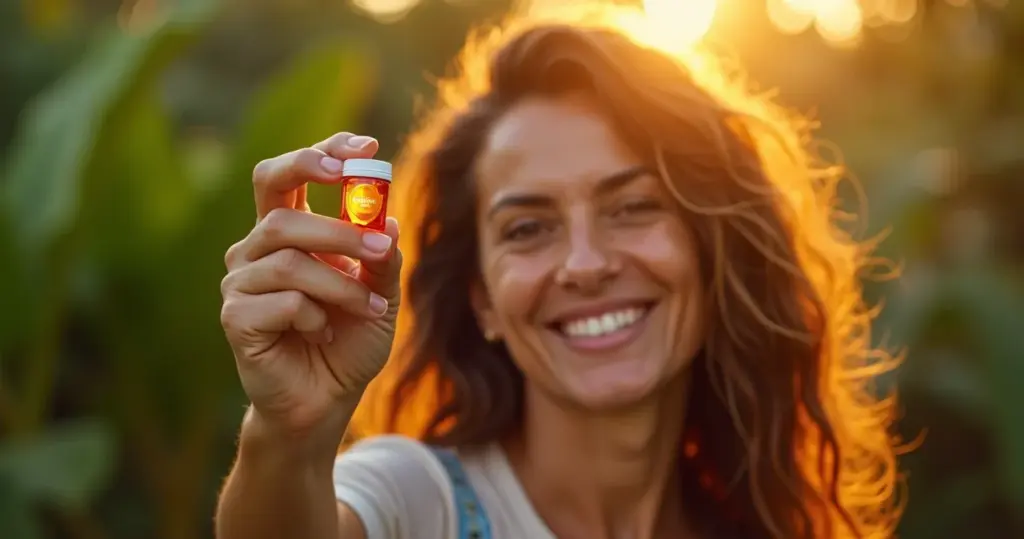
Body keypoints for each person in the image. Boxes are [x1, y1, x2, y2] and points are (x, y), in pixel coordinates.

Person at [214, 6, 903, 539]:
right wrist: (290, 433)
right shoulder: (415, 501)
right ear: (481, 297)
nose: (585, 264)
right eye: (528, 228)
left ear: (708, 248)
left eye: (633, 206)